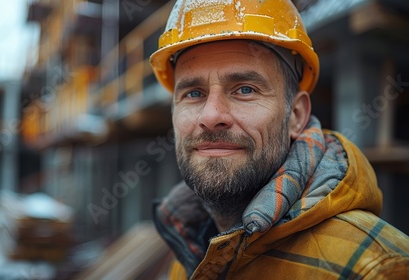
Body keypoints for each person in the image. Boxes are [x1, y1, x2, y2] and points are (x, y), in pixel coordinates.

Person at [149, 0, 409, 279]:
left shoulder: (376, 268)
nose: (211, 116)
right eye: (193, 93)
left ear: (296, 115)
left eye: (245, 89)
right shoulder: (189, 249)